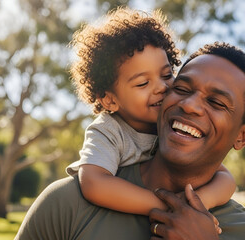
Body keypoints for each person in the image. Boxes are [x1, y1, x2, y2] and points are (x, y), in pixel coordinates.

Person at [15, 42, 245, 240]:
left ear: (242, 136)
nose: (189, 106)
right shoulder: (67, 204)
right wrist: (171, 207)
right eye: (181, 88)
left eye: (215, 102)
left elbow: (226, 179)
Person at [66, 6, 236, 223]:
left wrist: (195, 205)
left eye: (166, 75)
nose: (161, 88)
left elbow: (226, 178)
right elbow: (93, 183)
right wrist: (166, 206)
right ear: (109, 99)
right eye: (143, 83)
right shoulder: (108, 130)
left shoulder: (175, 124)